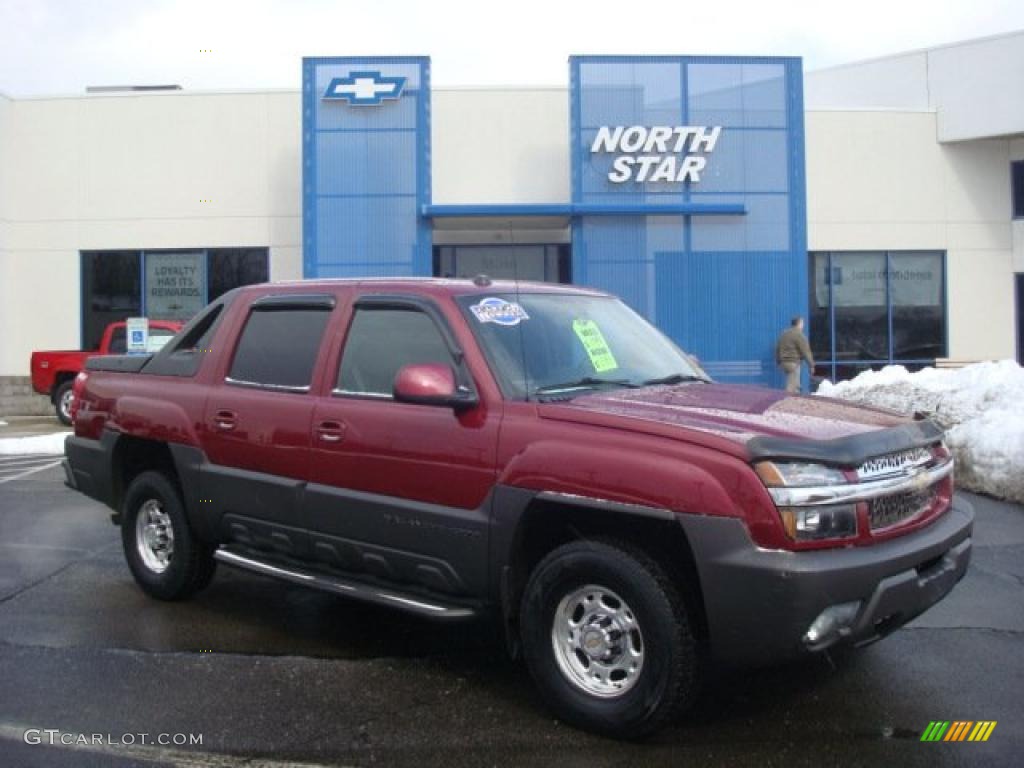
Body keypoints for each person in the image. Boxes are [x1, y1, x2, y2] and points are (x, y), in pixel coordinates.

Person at [775, 316, 814, 393]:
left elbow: (777, 348)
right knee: (791, 386)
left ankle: (795, 401)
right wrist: (811, 365)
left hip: (784, 363)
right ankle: (787, 401)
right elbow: (806, 351)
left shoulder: (784, 334)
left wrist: (778, 362)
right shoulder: (799, 335)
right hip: (793, 363)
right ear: (799, 323)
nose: (803, 325)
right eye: (802, 323)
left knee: (796, 384)